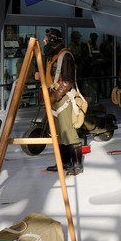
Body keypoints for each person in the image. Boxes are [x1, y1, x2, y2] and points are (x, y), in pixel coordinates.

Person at [42, 28, 82, 176]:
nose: (44, 41)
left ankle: (77, 164)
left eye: (46, 38)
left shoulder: (65, 56)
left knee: (68, 132)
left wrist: (54, 97)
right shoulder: (52, 56)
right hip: (54, 97)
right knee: (59, 133)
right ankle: (64, 163)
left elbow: (67, 81)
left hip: (62, 98)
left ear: (52, 39)